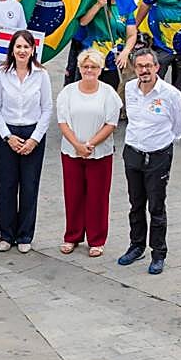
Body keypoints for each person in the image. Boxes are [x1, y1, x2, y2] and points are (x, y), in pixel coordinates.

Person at [116, 47, 181, 274]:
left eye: (148, 66)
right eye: (140, 66)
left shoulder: (170, 94)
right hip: (133, 152)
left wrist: (162, 142)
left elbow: (179, 125)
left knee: (156, 206)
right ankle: (136, 246)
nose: (144, 70)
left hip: (158, 155)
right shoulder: (129, 89)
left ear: (157, 67)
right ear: (134, 68)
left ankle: (158, 253)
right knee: (135, 204)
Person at [0, 29, 52, 252]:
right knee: (6, 185)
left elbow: (47, 109)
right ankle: (6, 234)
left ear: (33, 49)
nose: (22, 50)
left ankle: (25, 235)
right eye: (18, 46)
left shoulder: (41, 75)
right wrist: (7, 136)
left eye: (27, 46)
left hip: (32, 134)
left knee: (29, 185)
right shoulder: (2, 73)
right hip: (8, 134)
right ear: (12, 49)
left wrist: (34, 139)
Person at [56, 48, 122, 256]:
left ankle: (96, 239)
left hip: (100, 153)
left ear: (100, 69)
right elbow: (63, 121)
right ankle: (72, 236)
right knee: (73, 195)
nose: (89, 70)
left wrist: (90, 144)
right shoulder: (68, 92)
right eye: (85, 67)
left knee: (98, 197)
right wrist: (77, 145)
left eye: (93, 67)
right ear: (80, 68)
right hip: (71, 151)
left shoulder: (108, 93)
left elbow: (111, 123)